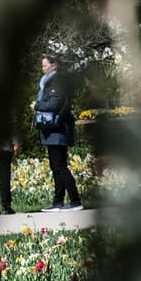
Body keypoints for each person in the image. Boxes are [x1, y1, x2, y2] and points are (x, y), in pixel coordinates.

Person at [31, 54, 83, 212]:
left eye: (45, 65)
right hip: (53, 130)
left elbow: (54, 104)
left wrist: (37, 106)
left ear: (54, 65)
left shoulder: (57, 81)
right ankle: (58, 201)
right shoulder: (50, 81)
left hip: (58, 129)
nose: (43, 69)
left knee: (60, 166)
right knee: (56, 166)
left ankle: (75, 201)